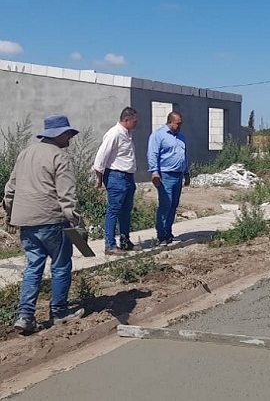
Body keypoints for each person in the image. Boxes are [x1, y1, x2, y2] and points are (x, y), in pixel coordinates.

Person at [3, 115, 85, 333]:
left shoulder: (25, 154)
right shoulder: (60, 157)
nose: (70, 137)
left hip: (26, 222)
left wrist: (10, 215)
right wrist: (77, 223)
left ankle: (25, 316)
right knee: (60, 266)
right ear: (58, 134)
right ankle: (59, 312)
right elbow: (67, 196)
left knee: (33, 267)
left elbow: (10, 188)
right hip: (52, 221)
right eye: (68, 133)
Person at [93, 107, 138, 255]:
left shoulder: (127, 134)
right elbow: (101, 157)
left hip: (128, 177)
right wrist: (99, 179)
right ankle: (110, 245)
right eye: (134, 121)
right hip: (116, 177)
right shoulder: (114, 134)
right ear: (126, 120)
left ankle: (125, 241)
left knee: (126, 211)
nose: (136, 123)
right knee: (114, 210)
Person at [147, 111, 190, 246]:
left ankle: (168, 232)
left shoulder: (181, 137)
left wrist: (186, 172)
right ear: (170, 122)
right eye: (178, 123)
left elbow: (184, 156)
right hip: (165, 175)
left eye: (181, 123)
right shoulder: (158, 135)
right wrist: (155, 172)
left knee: (173, 205)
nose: (180, 126)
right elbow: (152, 154)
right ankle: (161, 235)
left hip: (178, 175)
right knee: (166, 204)